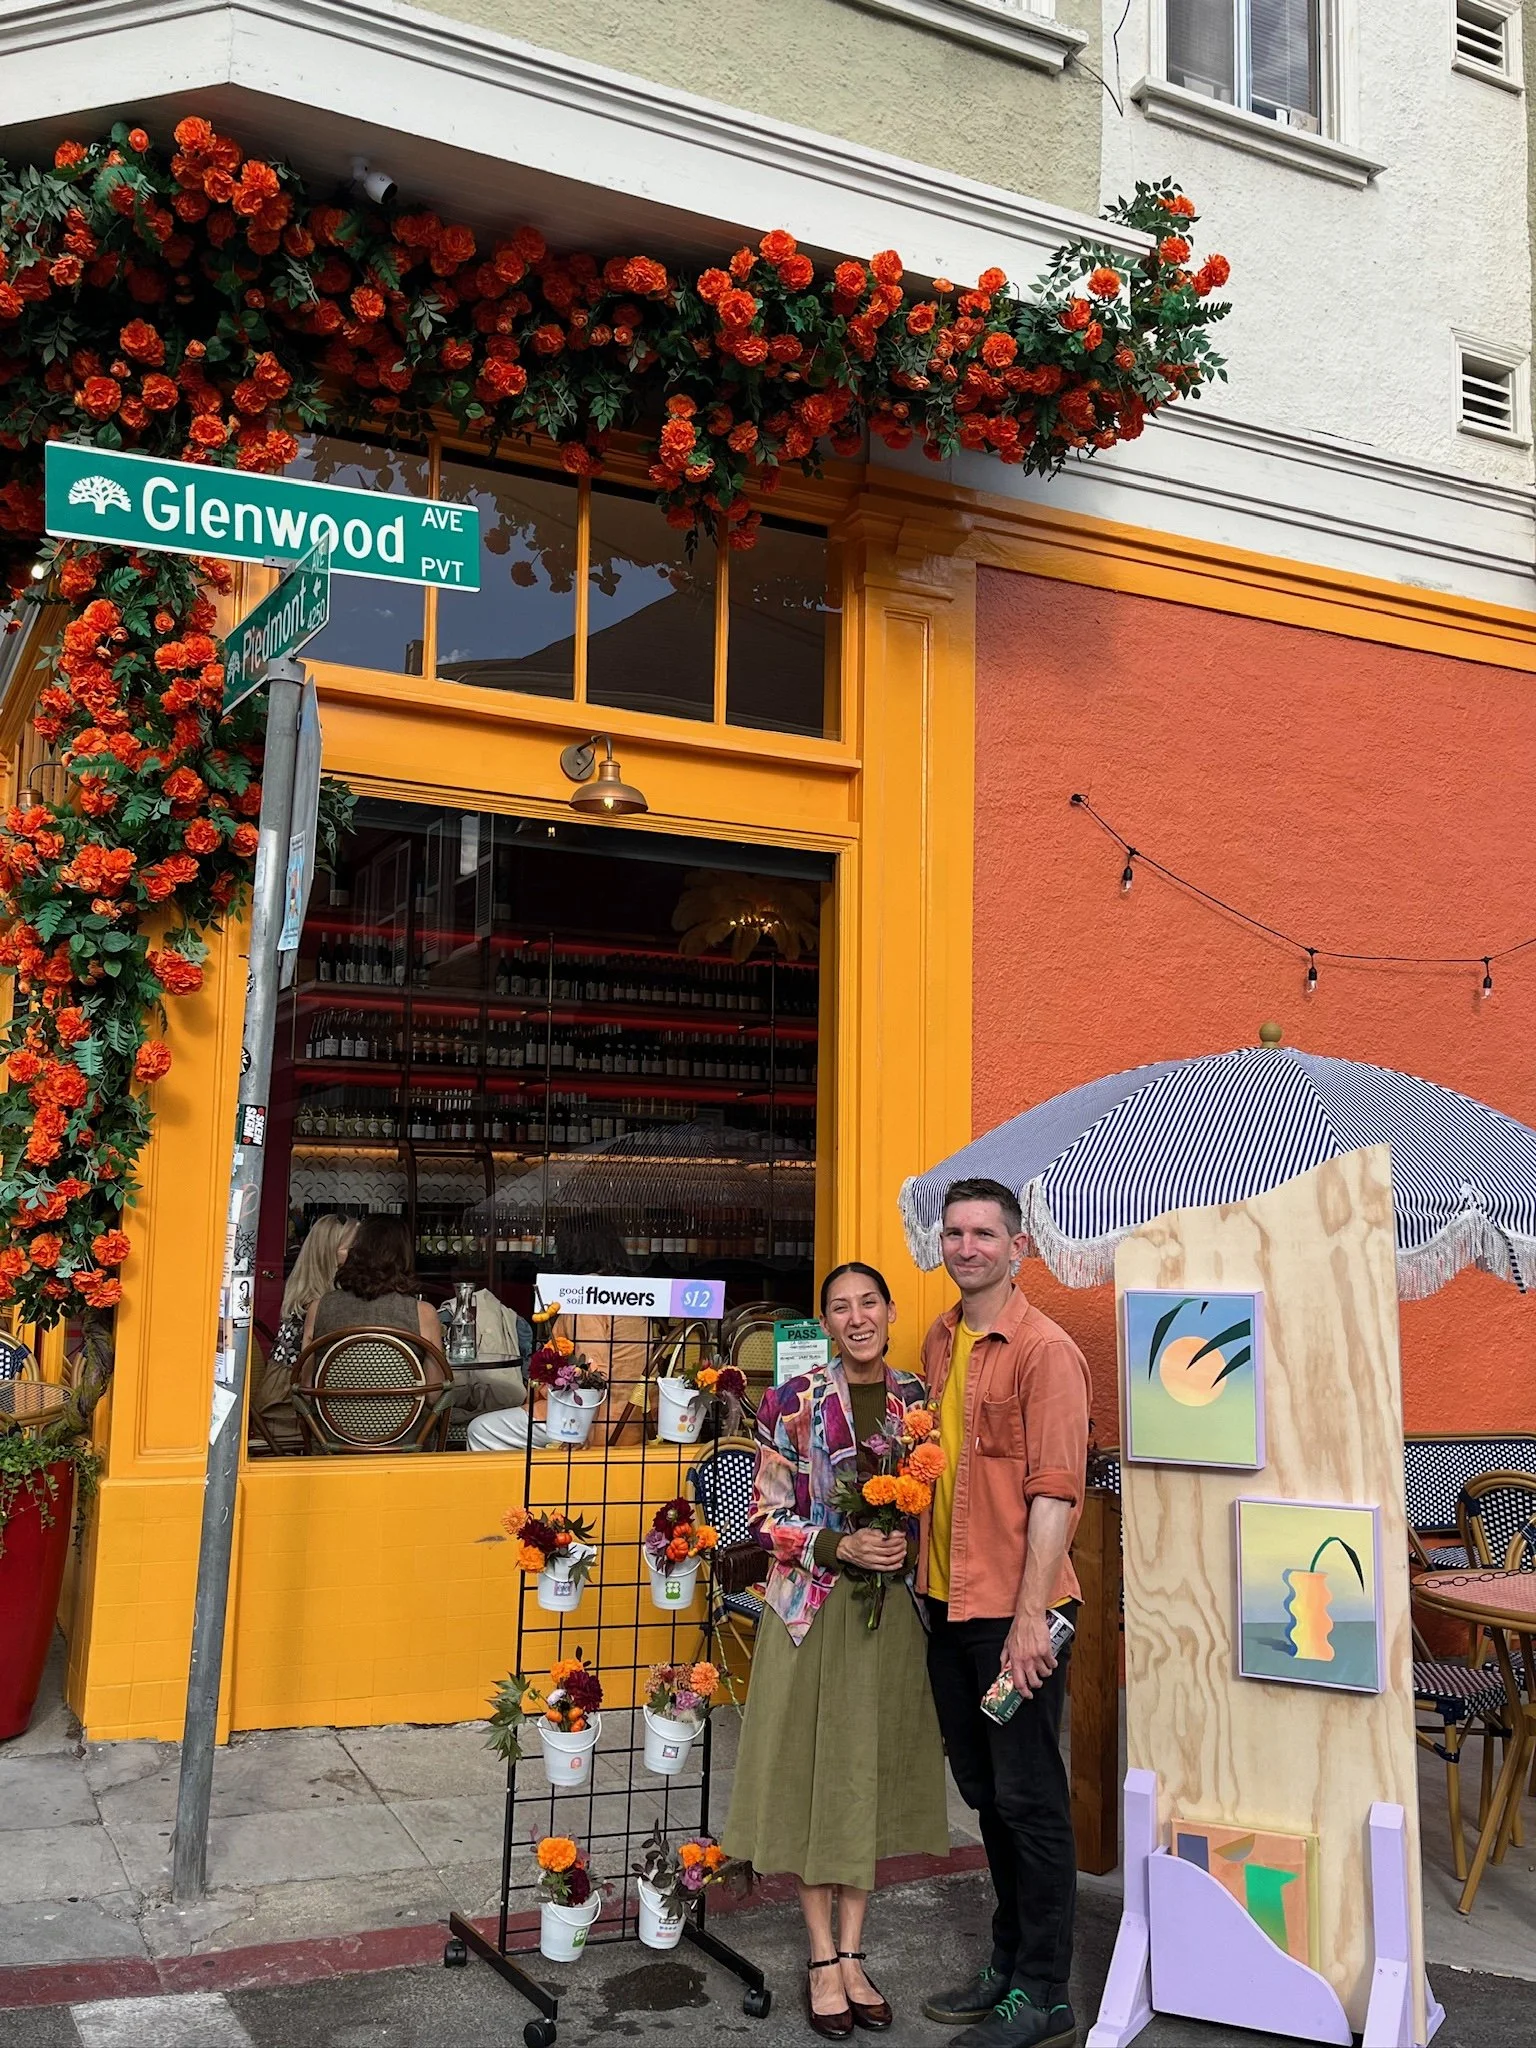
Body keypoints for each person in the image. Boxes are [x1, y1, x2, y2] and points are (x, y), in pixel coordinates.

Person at [724, 1262, 950, 2039]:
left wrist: (906, 1540)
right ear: (825, 1324)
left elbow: (940, 1505)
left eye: (869, 1303)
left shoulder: (918, 1401)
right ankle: (821, 1955)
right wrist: (836, 1543)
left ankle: (855, 1953)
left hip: (892, 1618)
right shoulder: (792, 1401)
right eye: (841, 1308)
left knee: (865, 1778)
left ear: (890, 1312)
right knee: (816, 1777)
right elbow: (763, 1519)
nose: (858, 1318)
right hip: (812, 1614)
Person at [918, 1179, 1090, 2048]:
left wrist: (1029, 1621)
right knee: (986, 1794)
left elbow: (1056, 1494)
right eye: (954, 1232)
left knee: (1030, 1800)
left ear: (1018, 1247)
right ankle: (1008, 1960)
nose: (967, 1247)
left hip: (1014, 1613)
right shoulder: (941, 1337)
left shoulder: (1045, 1351)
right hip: (947, 1603)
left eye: (984, 1233)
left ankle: (1044, 1993)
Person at [466, 1217, 649, 1451]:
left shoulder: (587, 1297)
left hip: (591, 1422)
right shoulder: (624, 1292)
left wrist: (581, 1432)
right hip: (632, 1422)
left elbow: (594, 1371)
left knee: (480, 1429)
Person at [250, 1214, 356, 1450]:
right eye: (351, 1248)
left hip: (295, 1400)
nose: (360, 1254)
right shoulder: (316, 1305)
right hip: (287, 1410)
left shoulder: (306, 1292)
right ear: (329, 1253)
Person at [303, 1212, 448, 1371]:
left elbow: (306, 1381)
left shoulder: (318, 1309)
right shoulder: (424, 1314)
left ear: (355, 1251)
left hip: (331, 1389)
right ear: (405, 1255)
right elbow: (435, 1386)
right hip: (399, 1389)